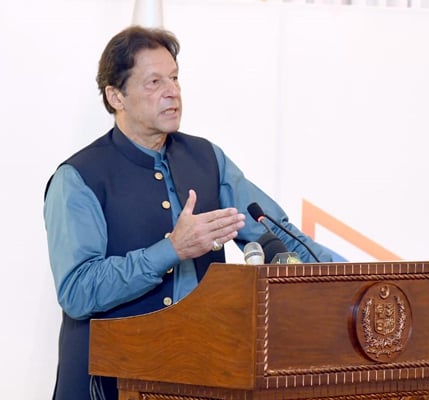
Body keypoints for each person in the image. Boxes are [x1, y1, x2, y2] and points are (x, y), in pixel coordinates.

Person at [43, 26, 339, 400]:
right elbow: (77, 291)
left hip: (195, 375)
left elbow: (279, 235)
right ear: (116, 96)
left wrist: (354, 276)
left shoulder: (207, 159)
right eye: (154, 82)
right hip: (107, 384)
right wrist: (172, 248)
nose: (172, 92)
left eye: (175, 78)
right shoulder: (79, 177)